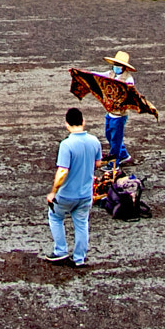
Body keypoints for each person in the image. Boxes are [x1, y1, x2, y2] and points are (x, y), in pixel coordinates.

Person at [44, 108, 102, 267]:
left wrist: (53, 192)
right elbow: (97, 163)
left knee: (55, 217)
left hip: (67, 194)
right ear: (83, 122)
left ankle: (61, 251)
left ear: (67, 125)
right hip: (85, 193)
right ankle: (79, 258)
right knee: (82, 224)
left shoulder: (66, 144)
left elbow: (62, 171)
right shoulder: (94, 141)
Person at [98, 51, 134, 163]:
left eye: (119, 65)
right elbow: (97, 76)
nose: (116, 67)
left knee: (116, 140)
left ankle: (114, 163)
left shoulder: (128, 80)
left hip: (119, 115)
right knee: (109, 135)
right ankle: (124, 155)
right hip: (110, 113)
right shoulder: (111, 74)